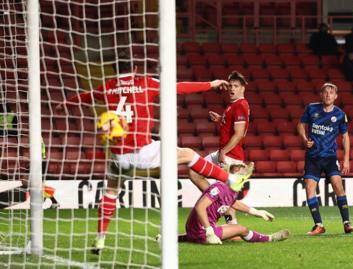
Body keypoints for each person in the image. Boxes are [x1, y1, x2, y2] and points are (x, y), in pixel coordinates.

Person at [56, 56, 254, 254]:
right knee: (188, 154)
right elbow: (180, 87)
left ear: (113, 69)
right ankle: (231, 179)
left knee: (111, 192)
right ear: (134, 68)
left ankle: (100, 239)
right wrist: (210, 84)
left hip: (119, 155)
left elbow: (87, 96)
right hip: (142, 150)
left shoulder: (107, 87)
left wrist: (66, 103)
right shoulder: (145, 83)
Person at [189, 71, 250, 225]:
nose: (232, 89)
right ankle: (217, 201)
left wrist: (224, 151)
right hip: (224, 152)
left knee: (227, 191)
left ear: (243, 88)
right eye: (230, 86)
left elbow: (239, 134)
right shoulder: (233, 106)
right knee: (194, 171)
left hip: (231, 155)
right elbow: (231, 129)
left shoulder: (241, 105)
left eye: (236, 86)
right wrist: (221, 120)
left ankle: (232, 224)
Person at [297, 82, 353, 236]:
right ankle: (318, 225)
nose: (328, 95)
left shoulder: (340, 114)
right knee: (310, 187)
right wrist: (304, 138)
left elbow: (345, 137)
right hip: (313, 157)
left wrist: (347, 159)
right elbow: (301, 125)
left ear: (336, 96)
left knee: (338, 186)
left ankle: (347, 223)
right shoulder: (311, 108)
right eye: (325, 92)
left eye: (331, 92)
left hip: (330, 157)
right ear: (321, 95)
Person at [177, 179, 289, 244]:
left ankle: (175, 238)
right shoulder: (220, 188)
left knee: (229, 229)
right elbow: (200, 207)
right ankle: (270, 238)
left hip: (193, 229)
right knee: (241, 229)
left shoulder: (230, 192)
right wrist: (209, 231)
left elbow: (234, 203)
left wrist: (256, 212)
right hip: (202, 231)